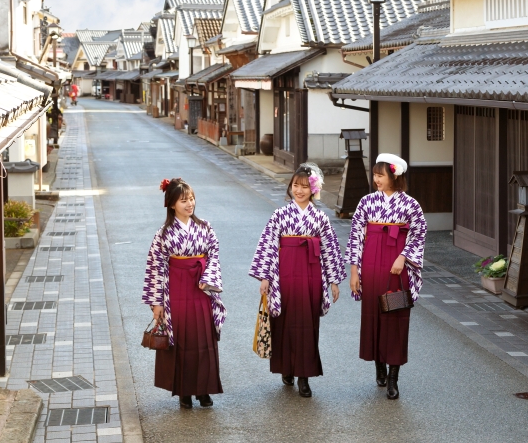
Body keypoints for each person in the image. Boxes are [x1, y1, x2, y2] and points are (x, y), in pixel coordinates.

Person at [250, 164, 343, 398]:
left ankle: (304, 376)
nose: (299, 191)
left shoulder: (320, 217)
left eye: (304, 187)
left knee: (307, 323)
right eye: (295, 186)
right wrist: (265, 277)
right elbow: (268, 245)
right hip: (284, 273)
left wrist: (333, 280)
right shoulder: (280, 215)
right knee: (284, 321)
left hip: (312, 272)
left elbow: (330, 248)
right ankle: (286, 368)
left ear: (313, 189)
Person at [346, 153, 427, 400]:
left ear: (394, 176)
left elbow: (419, 234)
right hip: (370, 265)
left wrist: (403, 257)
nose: (376, 180)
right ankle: (379, 365)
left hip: (396, 268)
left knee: (395, 316)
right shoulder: (366, 202)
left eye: (381, 175)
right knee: (373, 315)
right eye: (375, 175)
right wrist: (354, 271)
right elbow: (355, 237)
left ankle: (393, 377)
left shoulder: (410, 205)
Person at [142, 178, 227, 409]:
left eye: (191, 199)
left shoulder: (205, 227)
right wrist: (157, 302)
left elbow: (214, 255)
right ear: (171, 204)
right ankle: (184, 391)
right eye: (183, 200)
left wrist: (208, 279)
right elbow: (155, 266)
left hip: (201, 286)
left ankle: (204, 390)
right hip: (175, 288)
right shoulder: (164, 233)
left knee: (203, 336)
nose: (190, 204)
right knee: (180, 338)